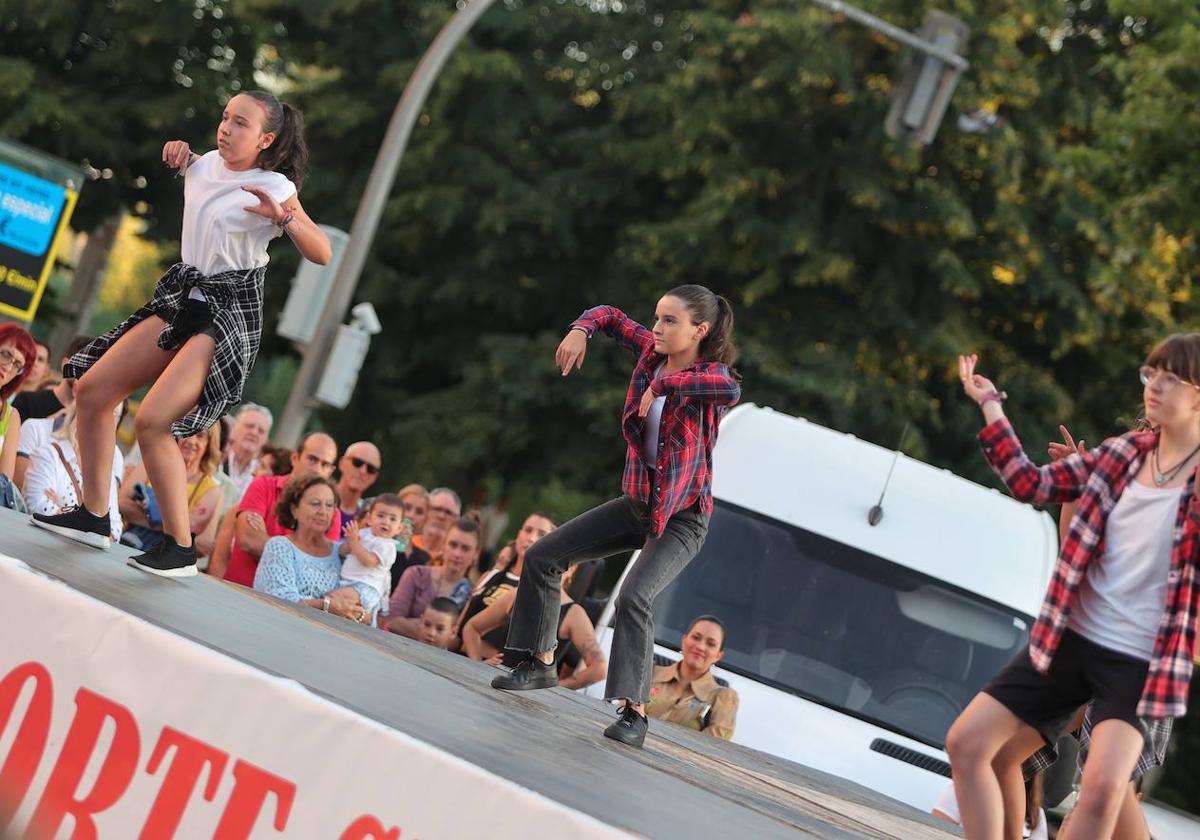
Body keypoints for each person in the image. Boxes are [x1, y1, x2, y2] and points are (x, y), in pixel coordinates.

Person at [31, 90, 331, 578]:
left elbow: (322, 252)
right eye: (225, 117)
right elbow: (198, 170)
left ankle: (180, 547)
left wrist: (287, 219)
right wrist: (180, 154)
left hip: (230, 306)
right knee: (92, 391)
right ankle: (92, 516)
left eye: (241, 123)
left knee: (153, 421)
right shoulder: (207, 163)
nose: (227, 128)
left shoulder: (273, 184)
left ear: (266, 139)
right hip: (184, 292)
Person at [946, 342, 1200, 840]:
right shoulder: (1121, 455)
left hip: (1139, 663)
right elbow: (1027, 482)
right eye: (1150, 374)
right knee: (969, 744)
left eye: (1169, 379)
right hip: (1071, 640)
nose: (1153, 386)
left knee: (1106, 788)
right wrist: (990, 403)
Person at [491, 285, 740, 752]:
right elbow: (607, 314)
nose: (658, 329)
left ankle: (634, 713)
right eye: (658, 318)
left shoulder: (711, 378)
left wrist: (662, 385)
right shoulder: (650, 350)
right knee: (543, 556)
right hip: (639, 504)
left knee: (634, 597)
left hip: (684, 519)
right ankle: (540, 661)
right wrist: (581, 329)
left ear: (699, 330)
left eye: (670, 321)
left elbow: (731, 387)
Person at [463, 565, 607, 691]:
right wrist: (478, 665)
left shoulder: (573, 613)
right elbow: (472, 627)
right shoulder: (516, 595)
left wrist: (556, 687)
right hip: (498, 682)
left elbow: (599, 669)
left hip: (532, 696)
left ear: (571, 569)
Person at [224, 431, 339, 586]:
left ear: (330, 471)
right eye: (312, 459)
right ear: (295, 458)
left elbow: (320, 570)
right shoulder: (263, 485)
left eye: (324, 464)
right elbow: (248, 540)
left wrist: (267, 542)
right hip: (237, 593)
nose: (317, 469)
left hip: (288, 605)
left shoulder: (331, 512)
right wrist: (304, 557)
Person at [252, 474, 367, 624]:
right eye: (315, 503)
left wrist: (358, 614)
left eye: (329, 505)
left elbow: (368, 607)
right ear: (294, 509)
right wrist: (327, 606)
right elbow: (279, 601)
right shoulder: (279, 547)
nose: (323, 511)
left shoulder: (344, 553)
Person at [23, 404, 126, 543]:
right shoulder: (48, 454)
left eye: (115, 414)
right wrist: (91, 526)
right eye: (107, 412)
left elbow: (114, 530)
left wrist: (62, 510)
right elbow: (39, 508)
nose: (109, 421)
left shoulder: (107, 472)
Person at [119, 425, 223, 558]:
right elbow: (120, 504)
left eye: (200, 436)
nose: (191, 441)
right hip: (127, 551)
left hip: (169, 563)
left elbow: (203, 545)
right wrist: (180, 528)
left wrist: (149, 511)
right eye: (187, 432)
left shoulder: (212, 489)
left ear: (209, 444)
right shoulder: (150, 465)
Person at [456, 513, 556, 646]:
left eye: (541, 534)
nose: (531, 538)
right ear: (519, 534)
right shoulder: (490, 576)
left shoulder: (540, 593)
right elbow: (458, 630)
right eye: (528, 530)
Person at [203, 445, 292, 578]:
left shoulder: (288, 521)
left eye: (262, 467)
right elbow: (217, 564)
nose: (253, 472)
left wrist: (263, 537)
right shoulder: (236, 511)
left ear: (277, 476)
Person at [646, 615, 739, 740]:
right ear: (684, 640)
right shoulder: (648, 674)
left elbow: (714, 746)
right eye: (696, 637)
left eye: (711, 644)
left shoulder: (723, 698)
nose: (700, 647)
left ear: (718, 655)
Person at [385, 516, 478, 638]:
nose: (457, 554)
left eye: (465, 549)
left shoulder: (472, 594)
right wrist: (440, 635)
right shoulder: (416, 574)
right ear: (444, 545)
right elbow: (393, 620)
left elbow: (460, 641)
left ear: (476, 554)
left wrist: (414, 625)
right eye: (453, 545)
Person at [337, 493, 404, 620]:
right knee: (339, 610)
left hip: (365, 588)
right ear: (368, 518)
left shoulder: (388, 546)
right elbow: (342, 552)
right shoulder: (363, 533)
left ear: (399, 528)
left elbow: (368, 561)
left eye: (393, 519)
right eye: (380, 516)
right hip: (346, 582)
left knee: (331, 598)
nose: (386, 522)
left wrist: (354, 542)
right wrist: (349, 540)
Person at [0, 324, 37, 485]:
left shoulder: (11, 416)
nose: (8, 367)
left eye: (17, 365)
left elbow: (3, 484)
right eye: (6, 354)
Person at [222, 403, 272, 497]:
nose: (254, 433)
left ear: (266, 439)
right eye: (249, 426)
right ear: (234, 428)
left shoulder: (263, 474)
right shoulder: (218, 457)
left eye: (261, 431)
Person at [335, 441, 382, 534]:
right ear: (342, 463)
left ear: (374, 478)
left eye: (370, 469)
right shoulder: (315, 499)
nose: (363, 471)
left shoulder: (372, 522)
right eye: (357, 462)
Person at [413, 487, 461, 558]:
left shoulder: (455, 558)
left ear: (456, 519)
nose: (441, 516)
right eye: (437, 509)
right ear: (426, 510)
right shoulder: (407, 545)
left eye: (448, 513)